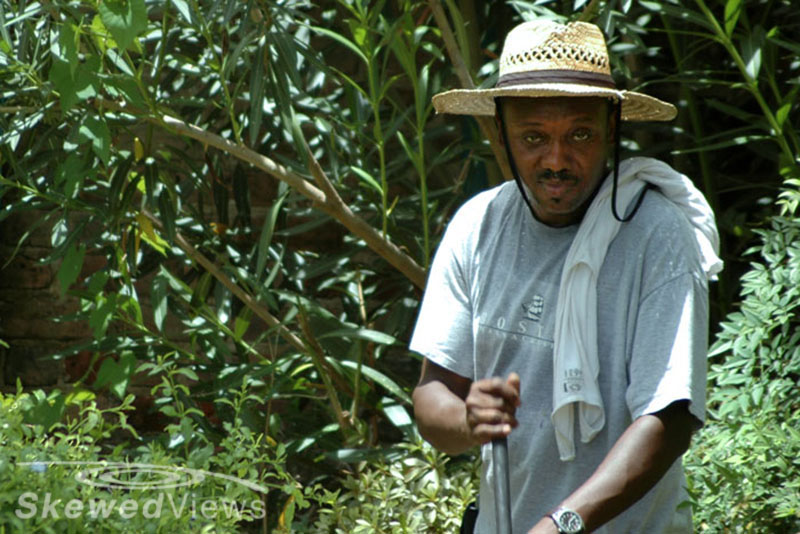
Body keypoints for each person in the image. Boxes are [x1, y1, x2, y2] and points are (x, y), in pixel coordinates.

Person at [409, 19, 723, 534]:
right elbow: (432, 394)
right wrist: (468, 419)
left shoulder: (657, 235)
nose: (557, 160)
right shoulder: (477, 226)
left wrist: (564, 524)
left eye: (579, 134)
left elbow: (669, 419)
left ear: (612, 129)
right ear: (503, 134)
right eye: (534, 137)